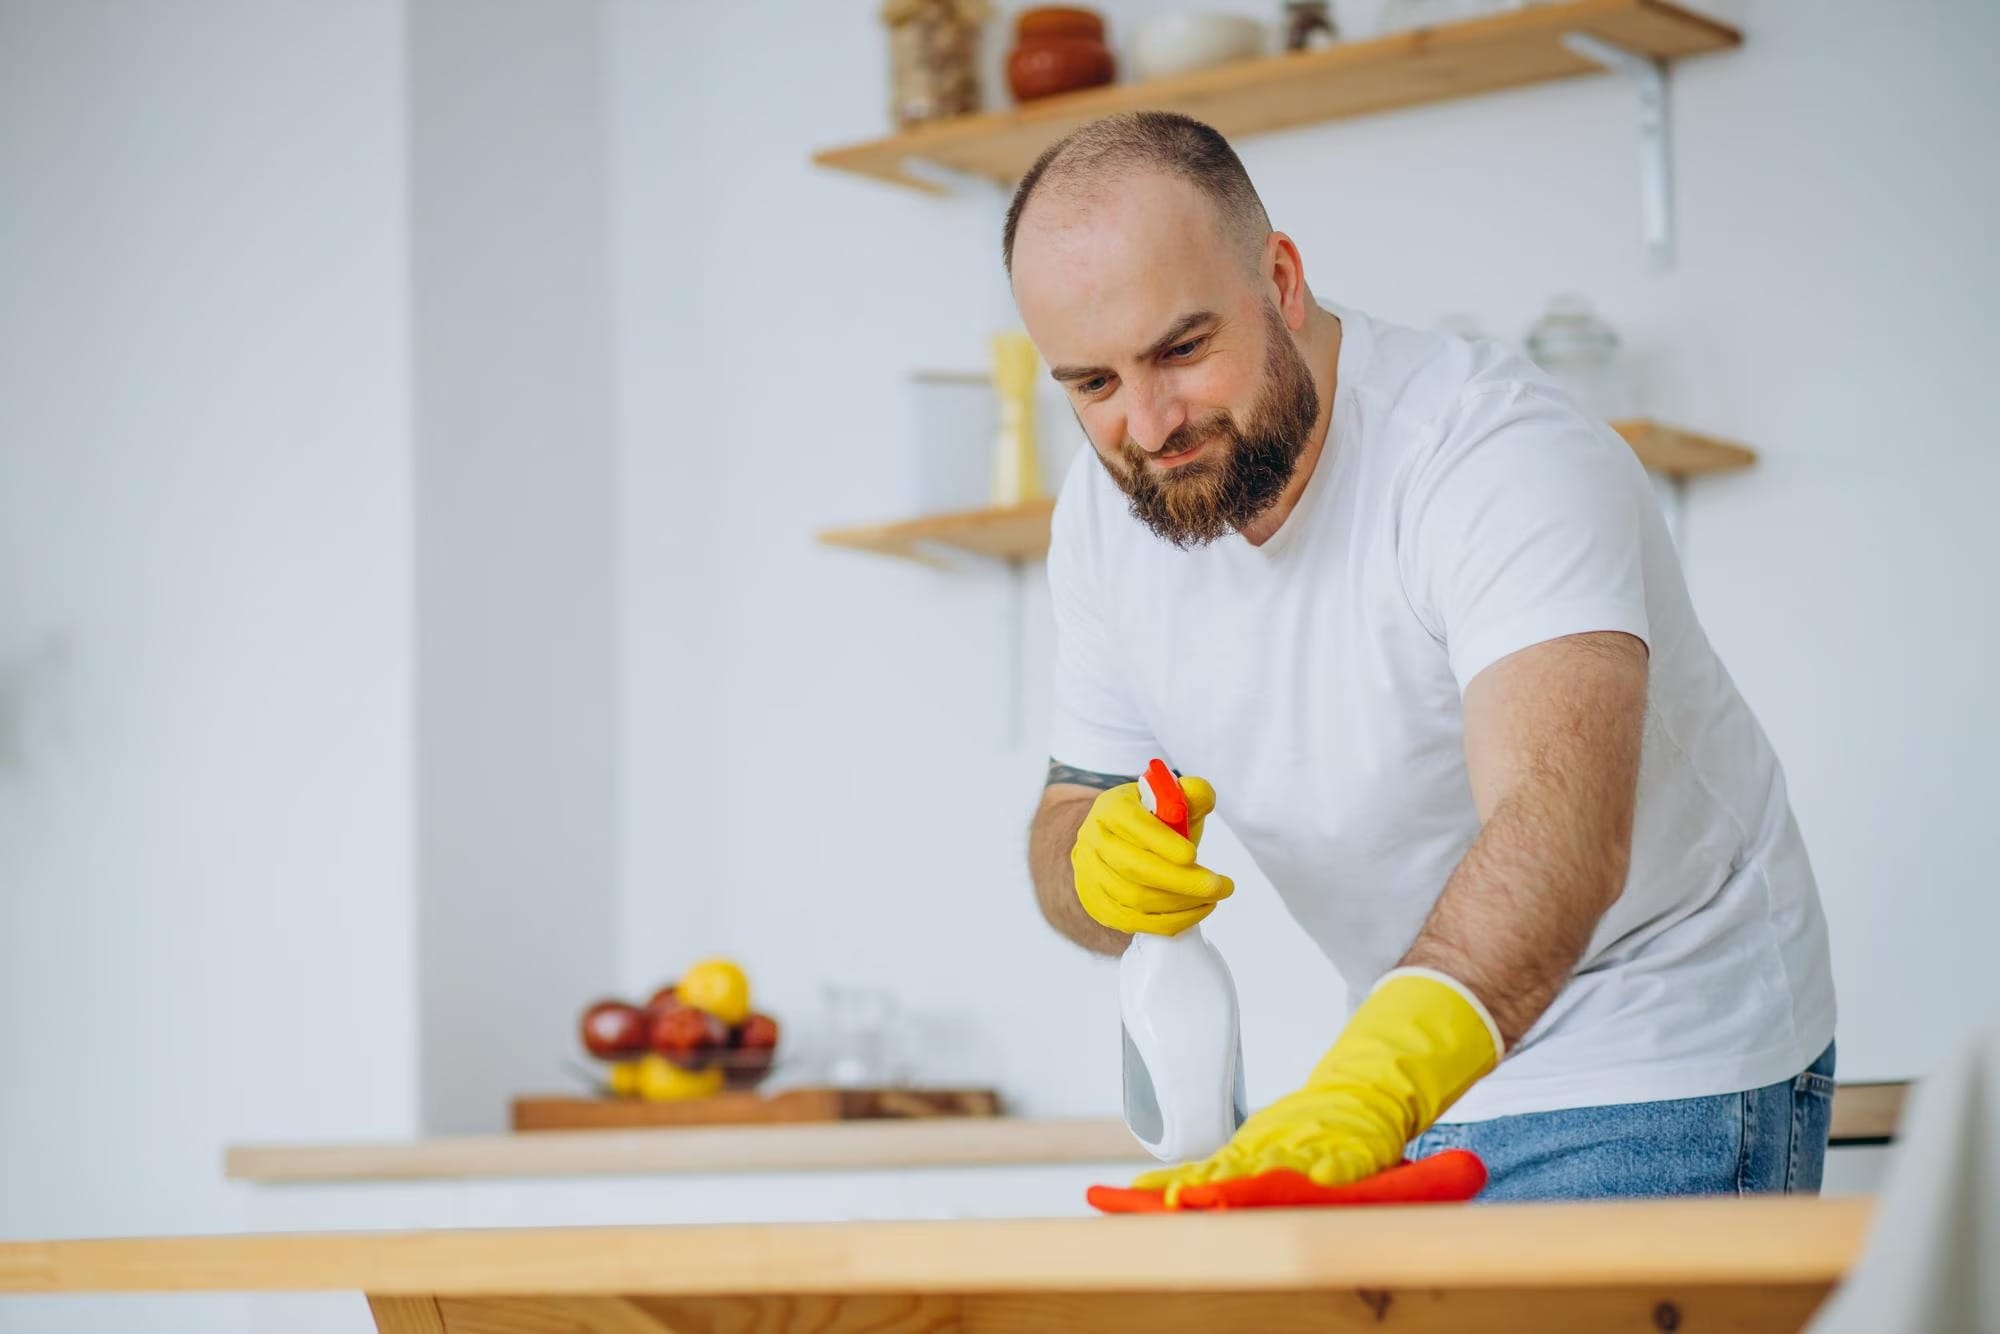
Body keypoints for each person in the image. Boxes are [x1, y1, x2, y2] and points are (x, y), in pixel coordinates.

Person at [1013, 111, 1836, 1202]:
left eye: (1180, 349)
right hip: (1421, 1058)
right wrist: (1091, 867)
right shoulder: (1105, 514)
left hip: (1653, 1042)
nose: (1150, 422)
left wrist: (1372, 1081)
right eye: (1093, 384)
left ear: (1282, 278)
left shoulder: (1492, 453)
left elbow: (1561, 828)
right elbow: (1069, 813)